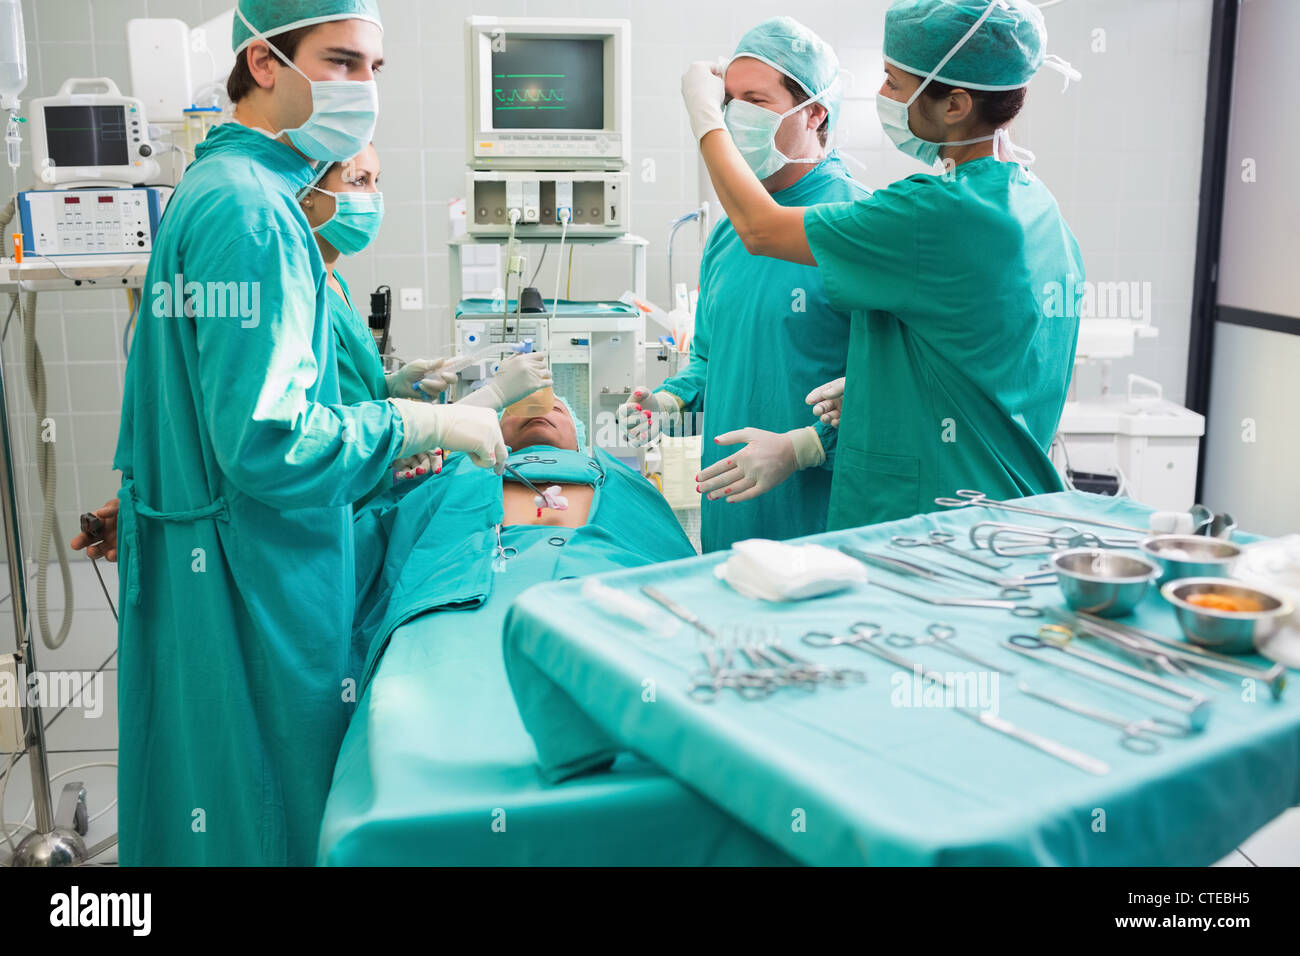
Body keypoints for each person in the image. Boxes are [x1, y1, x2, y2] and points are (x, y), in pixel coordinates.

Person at [111, 0, 506, 867]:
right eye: (341, 62)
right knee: (275, 805)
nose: (364, 88)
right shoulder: (256, 213)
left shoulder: (218, 189)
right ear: (263, 64)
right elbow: (268, 443)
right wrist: (418, 420)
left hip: (213, 552)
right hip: (259, 569)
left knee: (206, 789)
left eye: (373, 68)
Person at [317, 399, 790, 865]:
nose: (539, 411)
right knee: (414, 728)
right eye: (519, 408)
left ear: (580, 435)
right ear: (485, 428)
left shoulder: (623, 480)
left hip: (618, 594)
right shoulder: (452, 475)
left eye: (557, 409)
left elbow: (675, 566)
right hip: (460, 606)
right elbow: (351, 556)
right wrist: (388, 472)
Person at [680, 0, 1085, 531]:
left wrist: (704, 116)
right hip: (1010, 515)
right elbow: (981, 358)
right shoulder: (1037, 210)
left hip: (942, 522)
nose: (882, 97)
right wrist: (889, 383)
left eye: (895, 82)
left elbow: (760, 227)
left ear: (956, 104)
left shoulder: (936, 213)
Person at [616, 18, 865, 554]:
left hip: (823, 527)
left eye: (756, 99)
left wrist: (806, 447)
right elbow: (709, 359)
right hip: (731, 518)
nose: (736, 117)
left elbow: (893, 388)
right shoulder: (730, 232)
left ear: (815, 112)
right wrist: (667, 402)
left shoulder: (858, 223)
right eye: (728, 100)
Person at [298, 145, 550, 492]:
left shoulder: (331, 279)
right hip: (351, 493)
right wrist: (493, 394)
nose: (375, 197)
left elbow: (347, 392)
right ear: (308, 191)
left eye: (376, 182)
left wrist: (392, 385)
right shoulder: (305, 294)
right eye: (359, 182)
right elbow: (323, 429)